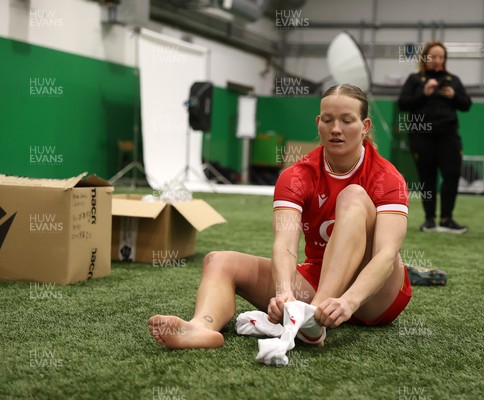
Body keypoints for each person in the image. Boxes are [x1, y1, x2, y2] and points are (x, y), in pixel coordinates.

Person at [148, 84, 442, 351]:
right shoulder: (296, 175)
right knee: (218, 260)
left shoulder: (386, 176)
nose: (336, 128)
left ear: (364, 126)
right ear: (318, 123)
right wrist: (284, 293)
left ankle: (312, 318)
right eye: (327, 120)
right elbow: (286, 242)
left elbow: (386, 254)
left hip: (376, 298)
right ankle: (201, 327)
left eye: (346, 120)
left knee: (352, 196)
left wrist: (348, 301)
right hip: (318, 277)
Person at [398, 41, 472, 234]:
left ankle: (447, 219)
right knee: (427, 177)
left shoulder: (452, 80)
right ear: (425, 58)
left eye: (441, 57)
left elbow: (466, 104)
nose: (437, 60)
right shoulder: (415, 79)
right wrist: (424, 94)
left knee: (451, 174)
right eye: (433, 56)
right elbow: (403, 103)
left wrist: (454, 95)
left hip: (448, 136)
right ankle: (429, 219)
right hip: (422, 137)